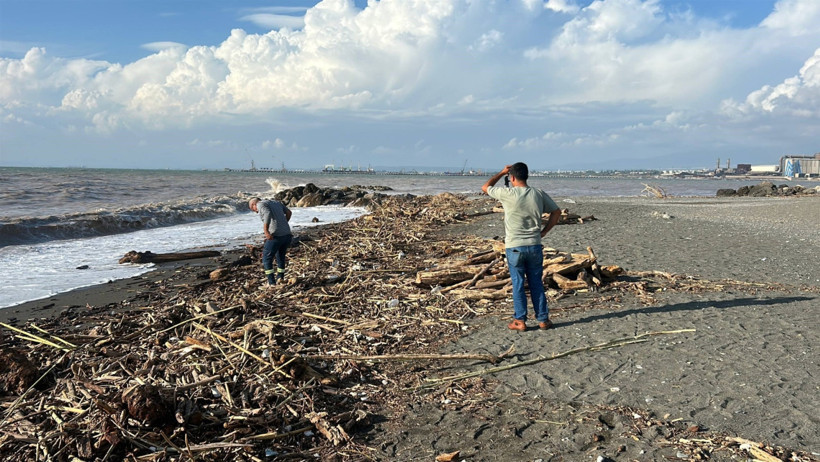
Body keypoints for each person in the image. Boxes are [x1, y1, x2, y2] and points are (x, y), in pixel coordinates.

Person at [482, 163, 562, 331]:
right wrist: (545, 231)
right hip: (534, 244)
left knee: (518, 284)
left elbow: (485, 187)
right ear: (526, 176)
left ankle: (520, 320)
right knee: (536, 283)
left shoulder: (507, 193)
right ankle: (543, 319)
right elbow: (556, 212)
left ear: (511, 178)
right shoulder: (538, 194)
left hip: (515, 246)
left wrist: (501, 172)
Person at [248, 197, 293, 285]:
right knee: (280, 256)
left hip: (276, 236)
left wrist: (266, 231)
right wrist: (283, 224)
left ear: (253, 205)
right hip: (287, 234)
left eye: (253, 210)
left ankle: (272, 283)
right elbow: (289, 212)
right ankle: (280, 278)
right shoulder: (275, 202)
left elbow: (267, 214)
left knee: (266, 258)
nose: (256, 212)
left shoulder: (260, 204)